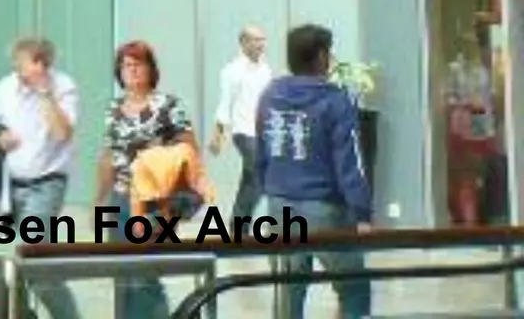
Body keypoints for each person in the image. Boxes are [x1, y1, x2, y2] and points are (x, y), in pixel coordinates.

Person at [256, 24, 371, 319]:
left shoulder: (271, 95)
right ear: (321, 56)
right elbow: (349, 160)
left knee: (287, 290)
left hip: (279, 203)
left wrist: (267, 187)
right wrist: (362, 212)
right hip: (323, 206)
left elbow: (261, 150)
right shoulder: (334, 100)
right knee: (353, 287)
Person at [0, 37, 80, 319]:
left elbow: (63, 133)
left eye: (24, 64)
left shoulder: (64, 87)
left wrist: (44, 94)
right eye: (18, 64)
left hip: (45, 184)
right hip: (8, 185)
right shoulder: (6, 87)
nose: (19, 71)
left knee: (37, 262)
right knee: (13, 267)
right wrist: (0, 138)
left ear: (42, 64)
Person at [99, 41, 196, 319]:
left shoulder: (167, 105)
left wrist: (174, 209)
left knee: (145, 278)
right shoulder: (114, 108)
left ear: (151, 69)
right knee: (121, 277)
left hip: (155, 202)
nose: (131, 70)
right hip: (120, 199)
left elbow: (189, 152)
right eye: (126, 65)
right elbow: (109, 155)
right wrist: (99, 201)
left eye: (137, 64)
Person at [209, 25, 274, 222]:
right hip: (243, 132)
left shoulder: (265, 69)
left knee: (250, 179)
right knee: (258, 176)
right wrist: (217, 135)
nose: (260, 44)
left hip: (264, 132)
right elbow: (225, 104)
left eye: (262, 39)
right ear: (243, 43)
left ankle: (238, 226)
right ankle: (239, 222)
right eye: (255, 40)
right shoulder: (232, 71)